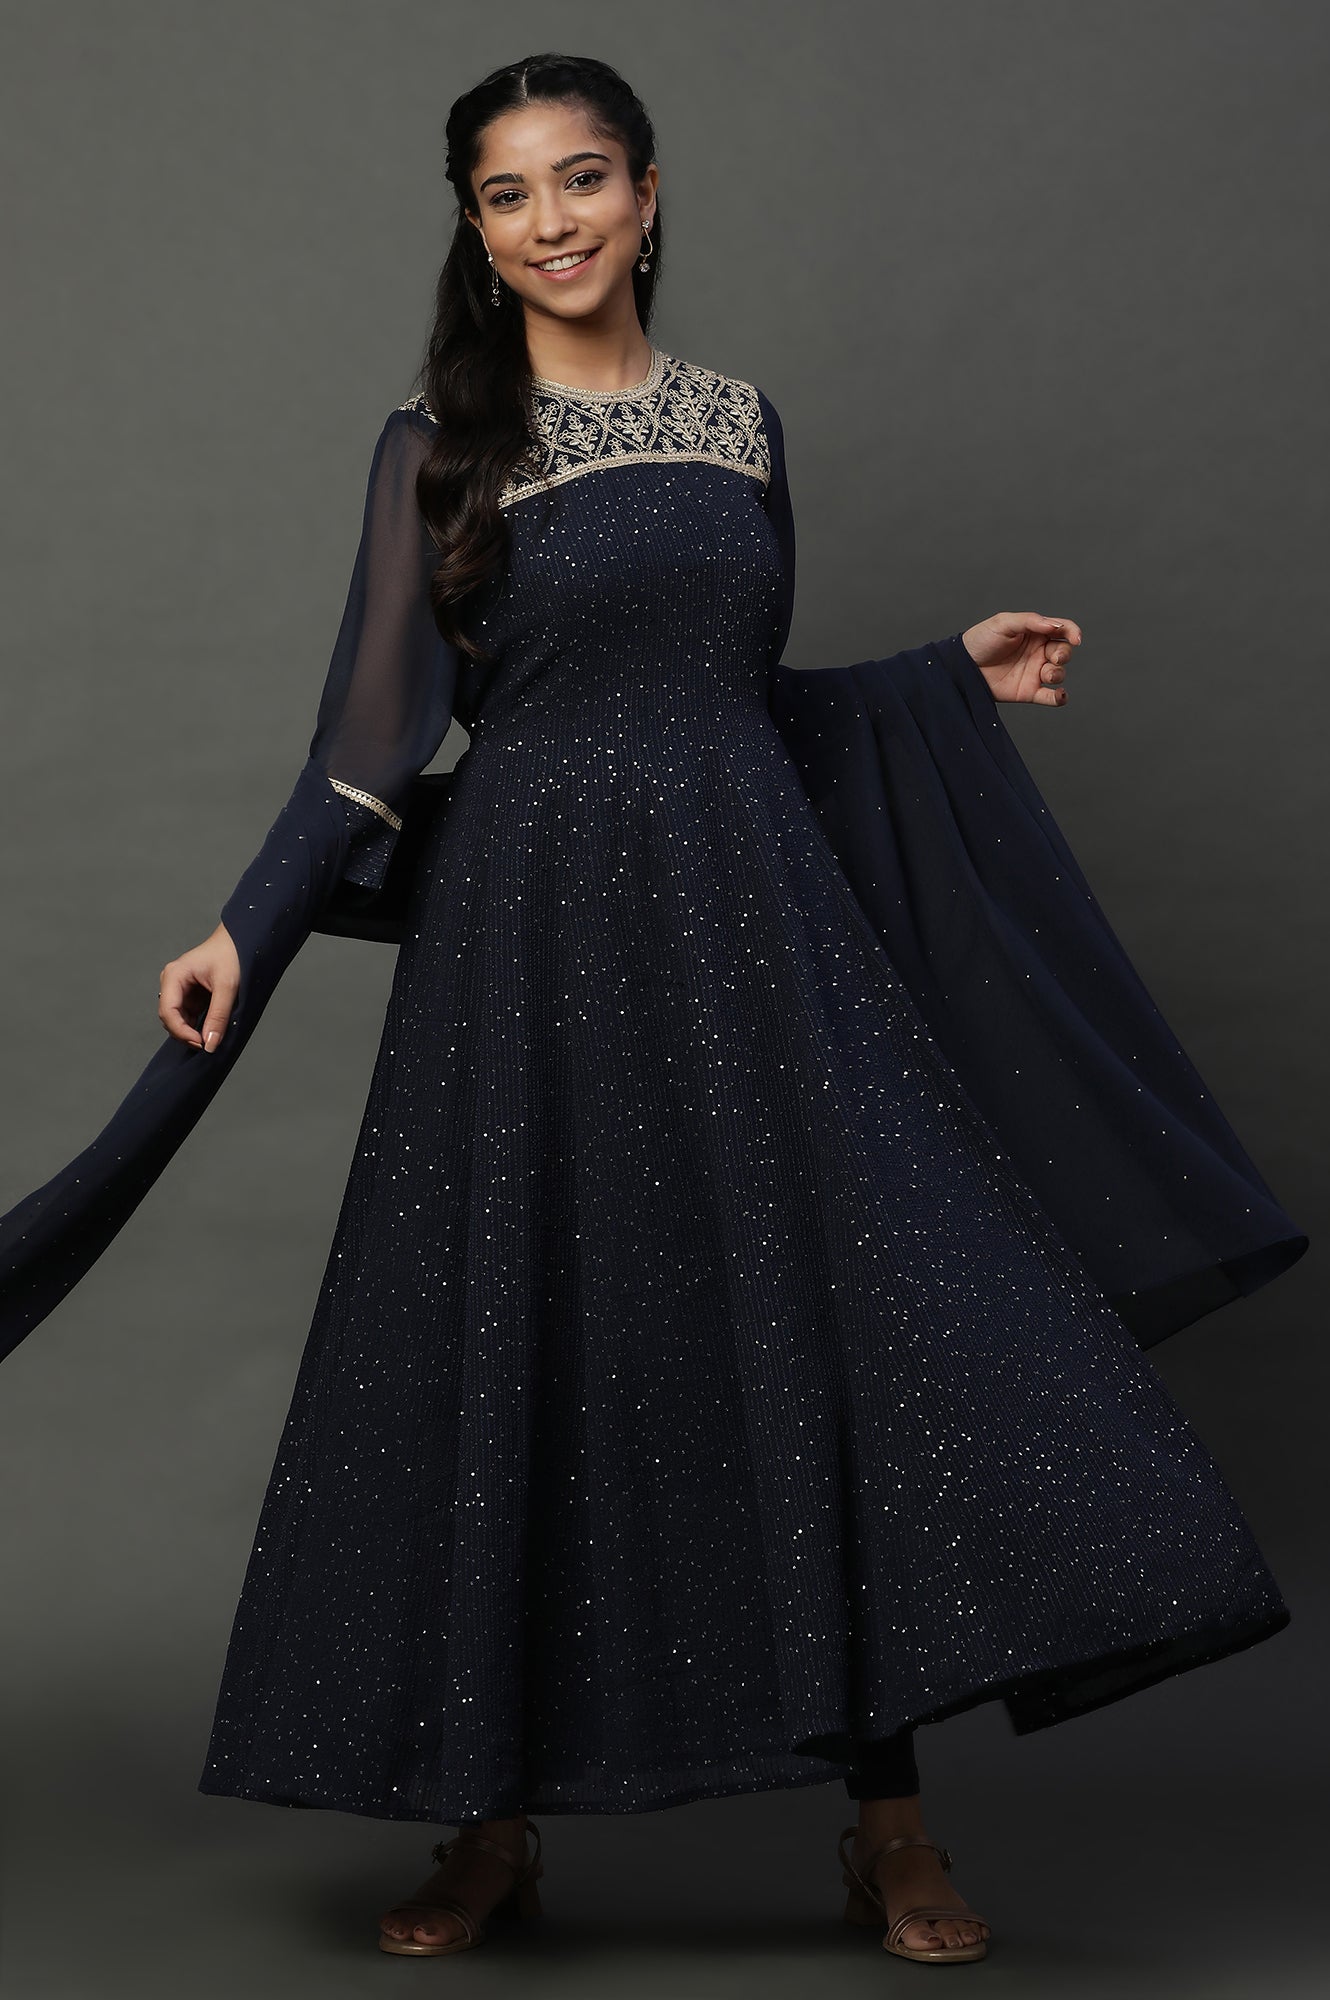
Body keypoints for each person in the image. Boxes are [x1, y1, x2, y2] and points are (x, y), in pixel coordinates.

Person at [0, 52, 1308, 1969]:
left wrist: (938, 680)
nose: (552, 221)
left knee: (835, 1346)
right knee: (523, 1348)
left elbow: (729, 705)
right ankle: (490, 1830)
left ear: (648, 190)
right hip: (522, 966)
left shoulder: (739, 424)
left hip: (748, 947)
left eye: (583, 177)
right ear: (475, 228)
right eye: (509, 194)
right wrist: (244, 929)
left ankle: (889, 1830)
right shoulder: (437, 445)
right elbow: (369, 743)